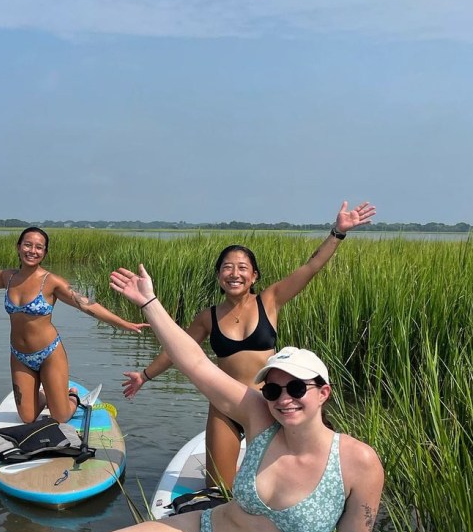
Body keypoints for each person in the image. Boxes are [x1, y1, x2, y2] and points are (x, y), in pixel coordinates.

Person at [0, 263, 400, 532]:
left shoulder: (357, 463)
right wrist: (150, 303)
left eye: (296, 388)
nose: (283, 399)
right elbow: (196, 362)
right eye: (272, 388)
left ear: (323, 392)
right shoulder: (260, 417)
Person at [122, 201, 376, 489]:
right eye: (227, 268)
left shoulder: (270, 301)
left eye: (243, 268)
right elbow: (176, 350)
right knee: (217, 488)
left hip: (267, 404)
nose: (235, 273)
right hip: (225, 406)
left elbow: (311, 266)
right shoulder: (207, 317)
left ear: (254, 276)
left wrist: (338, 232)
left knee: (272, 484)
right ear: (219, 277)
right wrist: (144, 375)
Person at [0, 226, 147, 424]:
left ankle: (72, 397)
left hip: (49, 354)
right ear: (18, 247)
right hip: (19, 356)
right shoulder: (8, 277)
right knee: (27, 418)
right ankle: (46, 397)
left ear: (44, 253)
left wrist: (122, 323)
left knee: (60, 417)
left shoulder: (51, 282)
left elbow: (86, 305)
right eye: (27, 245)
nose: (32, 251)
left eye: (39, 247)